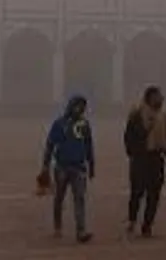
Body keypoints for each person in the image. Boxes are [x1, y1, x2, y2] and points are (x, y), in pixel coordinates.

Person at [124, 85, 166, 239]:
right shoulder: (137, 113)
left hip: (156, 159)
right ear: (150, 97)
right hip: (140, 159)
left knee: (154, 195)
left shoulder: (163, 115)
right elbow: (129, 137)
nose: (161, 99)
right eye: (158, 96)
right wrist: (133, 154)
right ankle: (132, 220)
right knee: (137, 192)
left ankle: (147, 225)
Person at [42, 95, 95, 243]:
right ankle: (58, 226)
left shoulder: (85, 125)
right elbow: (50, 144)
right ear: (71, 106)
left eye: (83, 106)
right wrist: (45, 165)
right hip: (62, 166)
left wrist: (92, 165)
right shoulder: (60, 124)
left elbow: (89, 146)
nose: (80, 109)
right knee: (59, 197)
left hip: (79, 167)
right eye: (78, 105)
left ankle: (81, 230)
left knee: (79, 198)